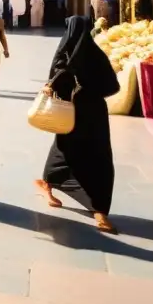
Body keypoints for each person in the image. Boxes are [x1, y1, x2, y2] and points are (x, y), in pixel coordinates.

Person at [36, 15, 121, 233]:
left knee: (79, 154)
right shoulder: (95, 56)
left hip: (75, 114)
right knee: (78, 154)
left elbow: (53, 83)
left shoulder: (64, 55)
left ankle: (98, 207)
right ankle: (52, 185)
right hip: (88, 115)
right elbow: (112, 87)